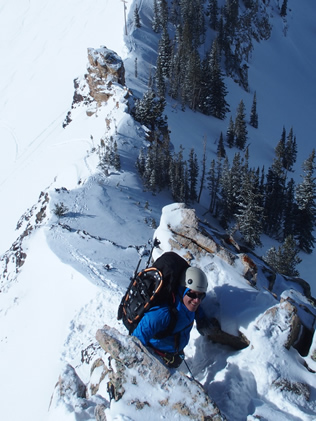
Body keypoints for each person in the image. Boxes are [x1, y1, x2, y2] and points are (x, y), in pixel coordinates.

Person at [132, 265, 208, 368]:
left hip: (173, 354)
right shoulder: (161, 314)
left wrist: (203, 321)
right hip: (157, 357)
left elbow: (197, 309)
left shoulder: (190, 305)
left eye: (201, 295)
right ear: (182, 291)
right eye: (193, 294)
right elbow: (135, 342)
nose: (197, 300)